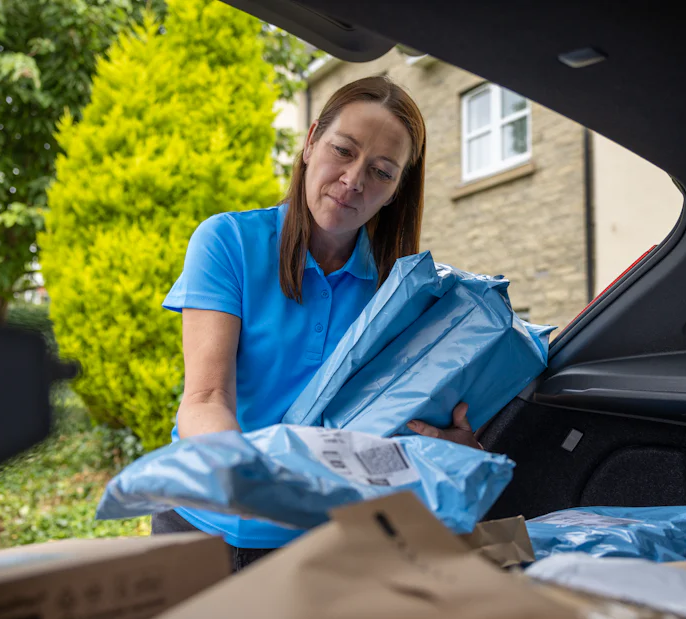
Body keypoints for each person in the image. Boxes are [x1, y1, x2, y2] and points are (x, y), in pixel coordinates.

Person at [152, 76, 481, 570]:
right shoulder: (228, 242)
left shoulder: (403, 292)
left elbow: (398, 426)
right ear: (309, 143)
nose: (353, 180)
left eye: (382, 171)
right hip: (199, 522)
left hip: (319, 542)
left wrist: (452, 448)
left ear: (395, 191)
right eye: (342, 150)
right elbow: (204, 400)